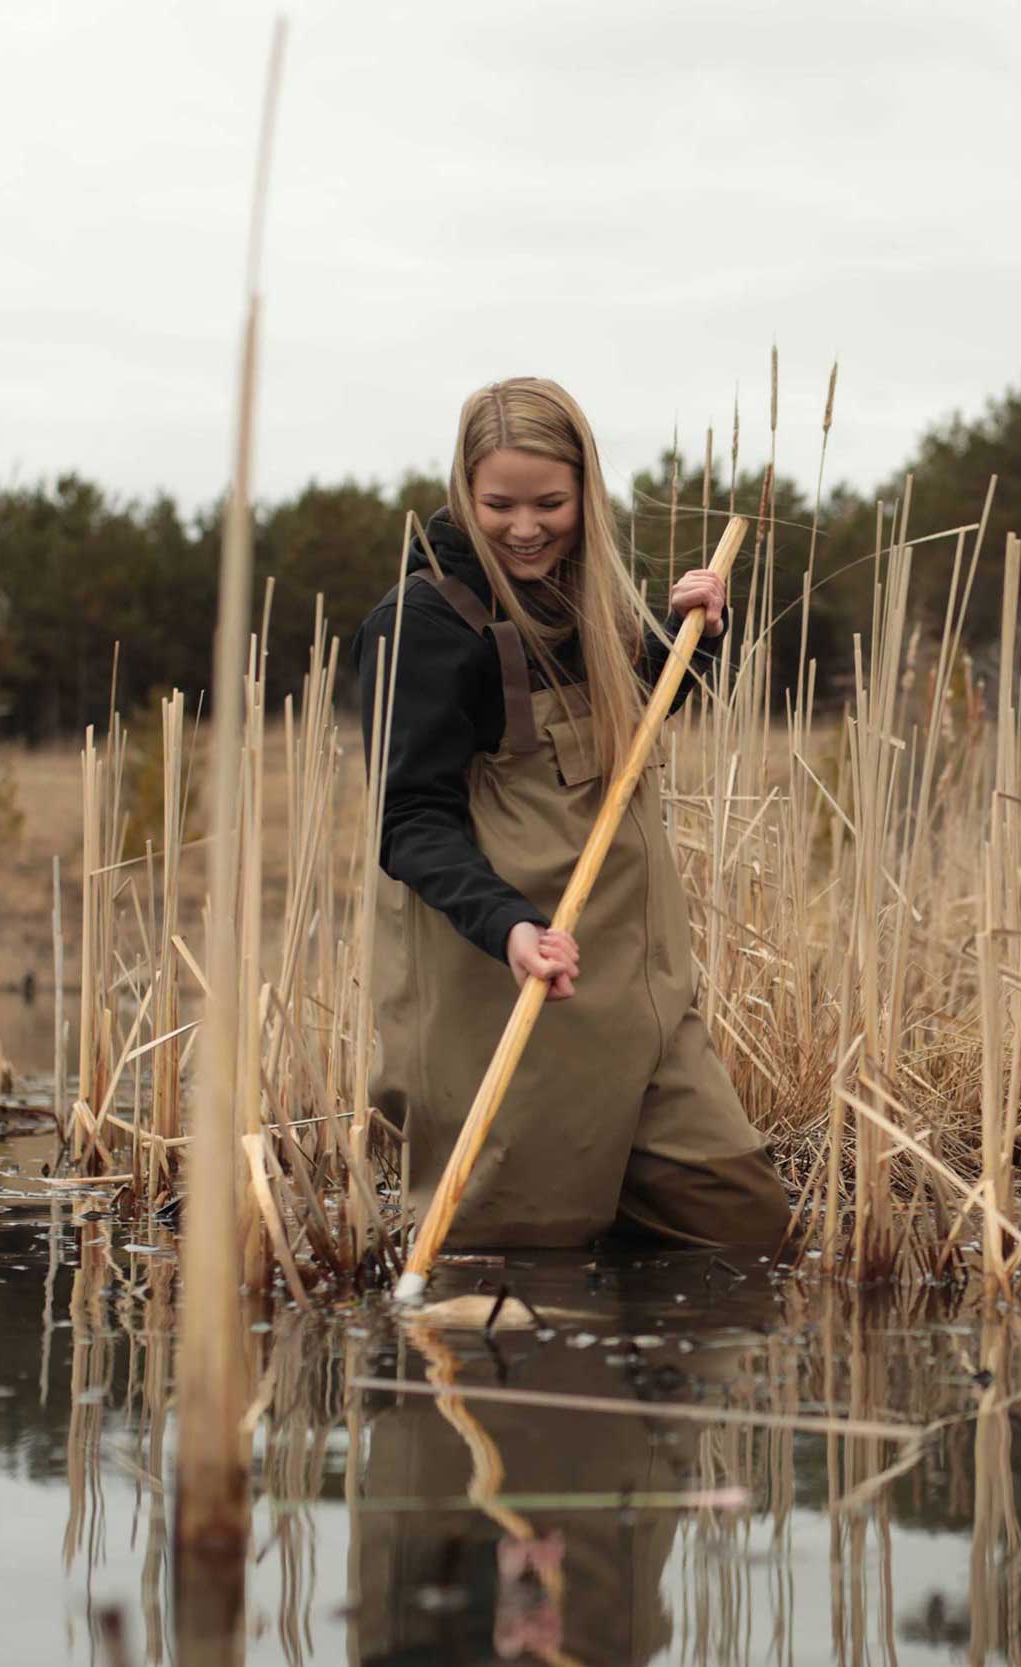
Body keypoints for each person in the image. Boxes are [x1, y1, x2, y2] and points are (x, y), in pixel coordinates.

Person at [353, 376, 790, 1251]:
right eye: (498, 504)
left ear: (584, 493)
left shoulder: (589, 600)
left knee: (739, 1223)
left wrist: (689, 640)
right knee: (515, 1269)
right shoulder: (425, 624)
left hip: (637, 991)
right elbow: (410, 821)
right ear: (462, 493)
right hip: (511, 989)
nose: (525, 527)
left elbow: (619, 735)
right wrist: (511, 926)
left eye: (550, 502)